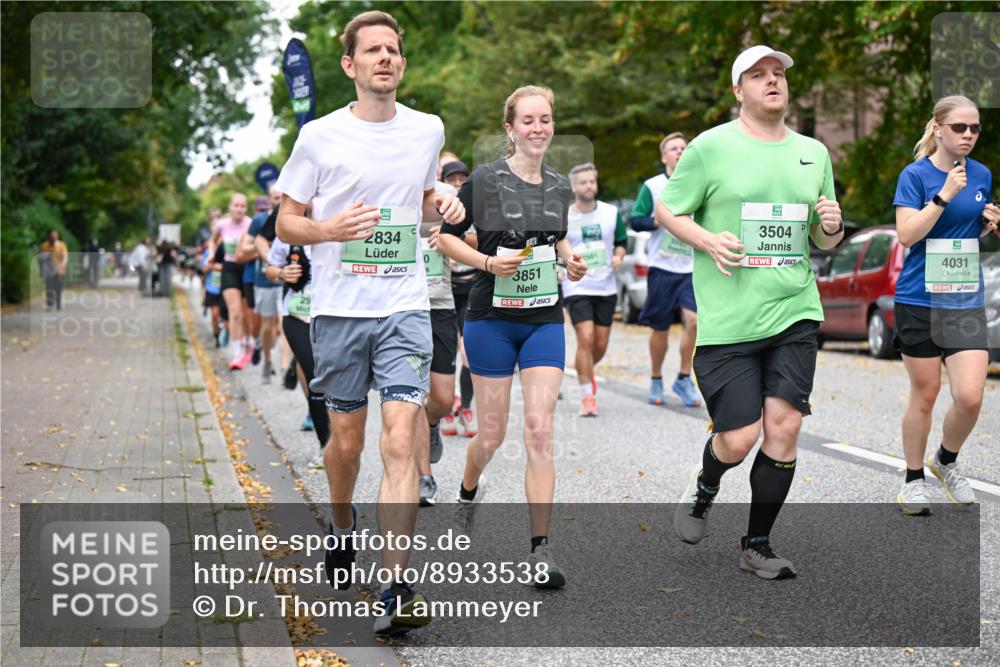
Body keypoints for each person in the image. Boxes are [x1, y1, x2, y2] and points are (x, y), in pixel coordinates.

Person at [274, 10, 464, 636]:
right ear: (350, 66)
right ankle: (342, 522)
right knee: (348, 444)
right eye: (372, 51)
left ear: (401, 63)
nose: (385, 58)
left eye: (393, 50)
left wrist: (442, 199)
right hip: (337, 313)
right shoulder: (319, 137)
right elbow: (287, 221)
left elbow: (421, 193)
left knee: (401, 437)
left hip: (405, 306)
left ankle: (395, 583)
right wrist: (327, 230)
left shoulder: (427, 129)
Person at [662, 46, 844, 580]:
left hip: (794, 309)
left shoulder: (814, 152)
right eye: (758, 75)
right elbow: (670, 209)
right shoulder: (709, 148)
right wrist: (706, 240)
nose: (772, 81)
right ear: (739, 90)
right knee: (739, 439)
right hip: (729, 318)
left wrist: (830, 225)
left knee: (783, 428)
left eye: (779, 74)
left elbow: (820, 235)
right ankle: (706, 482)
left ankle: (758, 544)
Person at [437, 84, 587, 589]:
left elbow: (557, 234)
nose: (538, 128)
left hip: (544, 319)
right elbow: (445, 238)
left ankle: (540, 551)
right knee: (492, 436)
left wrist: (571, 259)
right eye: (527, 120)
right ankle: (467, 489)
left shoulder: (560, 185)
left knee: (540, 431)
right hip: (491, 320)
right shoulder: (485, 180)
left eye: (545, 119)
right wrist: (486, 262)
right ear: (510, 128)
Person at [892, 95, 998, 515]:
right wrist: (942, 196)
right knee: (926, 392)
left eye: (974, 128)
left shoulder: (983, 175)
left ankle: (946, 460)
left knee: (970, 396)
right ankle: (913, 479)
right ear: (938, 130)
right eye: (960, 127)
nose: (969, 135)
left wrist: (990, 224)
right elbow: (906, 235)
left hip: (965, 299)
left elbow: (965, 234)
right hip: (919, 299)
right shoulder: (915, 175)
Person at [630, 133, 701, 407]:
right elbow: (636, 220)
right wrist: (658, 222)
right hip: (661, 266)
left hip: (690, 267)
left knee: (694, 322)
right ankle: (656, 377)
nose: (680, 152)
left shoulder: (698, 184)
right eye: (674, 148)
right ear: (664, 157)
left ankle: (684, 377)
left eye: (684, 148)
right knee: (660, 328)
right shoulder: (653, 186)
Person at [562, 162, 627, 416]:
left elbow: (621, 243)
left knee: (599, 344)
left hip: (606, 285)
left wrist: (619, 257)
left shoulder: (611, 213)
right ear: (573, 186)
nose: (590, 186)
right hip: (577, 285)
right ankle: (587, 395)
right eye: (584, 182)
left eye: (592, 181)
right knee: (585, 337)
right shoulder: (565, 215)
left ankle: (585, 369)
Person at [265, 238, 332, 462]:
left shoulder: (341, 217)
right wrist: (282, 274)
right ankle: (326, 445)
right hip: (297, 315)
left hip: (333, 314)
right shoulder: (290, 229)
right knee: (314, 375)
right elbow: (270, 268)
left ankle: (342, 442)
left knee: (335, 379)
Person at [416, 180, 461, 506]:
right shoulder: (389, 181)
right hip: (401, 308)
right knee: (412, 394)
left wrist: (450, 239)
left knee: (443, 398)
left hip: (441, 304)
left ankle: (433, 423)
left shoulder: (450, 195)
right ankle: (423, 475)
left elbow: (476, 240)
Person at [438, 158, 478, 439]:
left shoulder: (473, 207)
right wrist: (438, 236)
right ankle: (447, 405)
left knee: (470, 351)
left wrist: (453, 238)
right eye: (451, 179)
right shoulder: (435, 208)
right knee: (447, 352)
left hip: (470, 288)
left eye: (461, 179)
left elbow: (482, 240)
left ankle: (465, 406)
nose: (456, 184)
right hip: (443, 289)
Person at [239, 191, 283, 383]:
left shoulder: (293, 219)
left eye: (283, 197)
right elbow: (244, 248)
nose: (279, 201)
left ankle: (285, 367)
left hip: (289, 281)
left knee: (283, 323)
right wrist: (265, 246)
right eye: (275, 198)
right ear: (269, 200)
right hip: (264, 280)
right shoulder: (259, 221)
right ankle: (266, 360)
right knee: (266, 325)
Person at [212, 193, 253, 370]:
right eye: (236, 205)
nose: (239, 209)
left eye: (242, 206)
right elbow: (212, 241)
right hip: (229, 268)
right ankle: (236, 354)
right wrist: (213, 255)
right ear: (230, 207)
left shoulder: (251, 224)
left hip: (247, 268)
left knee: (246, 314)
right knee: (234, 312)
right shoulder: (221, 225)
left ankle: (248, 341)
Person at [38, 229, 68, 311]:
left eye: (55, 235)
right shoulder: (44, 246)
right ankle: (50, 304)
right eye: (52, 235)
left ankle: (58, 304)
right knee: (49, 287)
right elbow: (40, 259)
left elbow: (65, 256)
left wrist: (63, 264)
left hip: (59, 270)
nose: (53, 237)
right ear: (49, 236)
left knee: (58, 288)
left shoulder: (61, 245)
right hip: (48, 271)